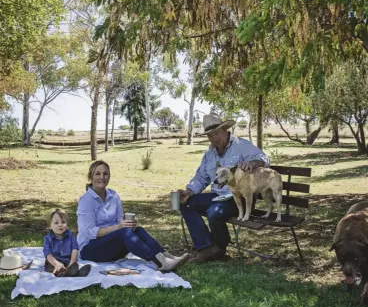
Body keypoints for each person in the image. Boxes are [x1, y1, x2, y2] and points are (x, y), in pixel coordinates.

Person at [179, 113, 269, 263]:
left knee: (214, 213)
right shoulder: (210, 154)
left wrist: (253, 163)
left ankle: (220, 248)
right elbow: (202, 177)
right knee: (185, 203)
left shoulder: (241, 145)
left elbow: (264, 159)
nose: (214, 138)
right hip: (217, 196)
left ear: (225, 130)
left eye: (217, 133)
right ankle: (208, 248)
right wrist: (189, 191)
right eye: (210, 136)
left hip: (240, 198)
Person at [77, 160, 189, 272]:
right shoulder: (86, 200)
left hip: (111, 248)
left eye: (105, 174)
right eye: (98, 174)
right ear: (91, 177)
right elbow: (89, 232)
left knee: (138, 230)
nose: (102, 177)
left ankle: (167, 256)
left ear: (109, 176)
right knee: (124, 232)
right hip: (90, 250)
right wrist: (118, 228)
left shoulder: (113, 196)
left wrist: (128, 224)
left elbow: (118, 222)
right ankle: (159, 262)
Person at [44, 208, 91, 277]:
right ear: (49, 226)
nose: (60, 225)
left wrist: (72, 262)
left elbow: (74, 249)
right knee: (54, 268)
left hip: (68, 261)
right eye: (56, 223)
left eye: (63, 222)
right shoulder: (47, 238)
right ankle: (70, 274)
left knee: (73, 266)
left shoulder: (71, 235)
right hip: (53, 262)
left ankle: (73, 271)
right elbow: (48, 254)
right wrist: (57, 264)